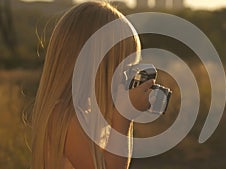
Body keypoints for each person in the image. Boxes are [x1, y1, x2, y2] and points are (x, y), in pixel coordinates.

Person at [31, 1, 154, 169]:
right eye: (126, 67)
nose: (129, 78)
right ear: (99, 66)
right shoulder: (63, 116)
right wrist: (123, 117)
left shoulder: (88, 114)